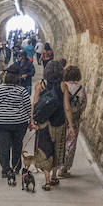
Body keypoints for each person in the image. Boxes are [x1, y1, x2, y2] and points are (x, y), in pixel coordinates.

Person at [0, 68, 32, 186]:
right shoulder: (22, 91)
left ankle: (5, 169)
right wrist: (31, 120)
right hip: (19, 123)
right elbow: (28, 107)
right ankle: (16, 168)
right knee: (17, 145)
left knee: (3, 146)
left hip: (1, 123)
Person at [32, 61, 69, 191]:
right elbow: (67, 108)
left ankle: (47, 181)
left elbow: (35, 104)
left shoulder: (40, 86)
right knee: (57, 149)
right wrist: (70, 126)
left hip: (43, 124)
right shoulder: (63, 86)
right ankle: (54, 177)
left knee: (45, 150)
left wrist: (32, 121)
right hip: (59, 123)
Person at [59, 65, 88, 178]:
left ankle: (57, 166)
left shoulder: (62, 86)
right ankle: (64, 169)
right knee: (70, 144)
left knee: (60, 142)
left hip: (61, 118)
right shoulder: (80, 89)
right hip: (74, 121)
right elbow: (84, 104)